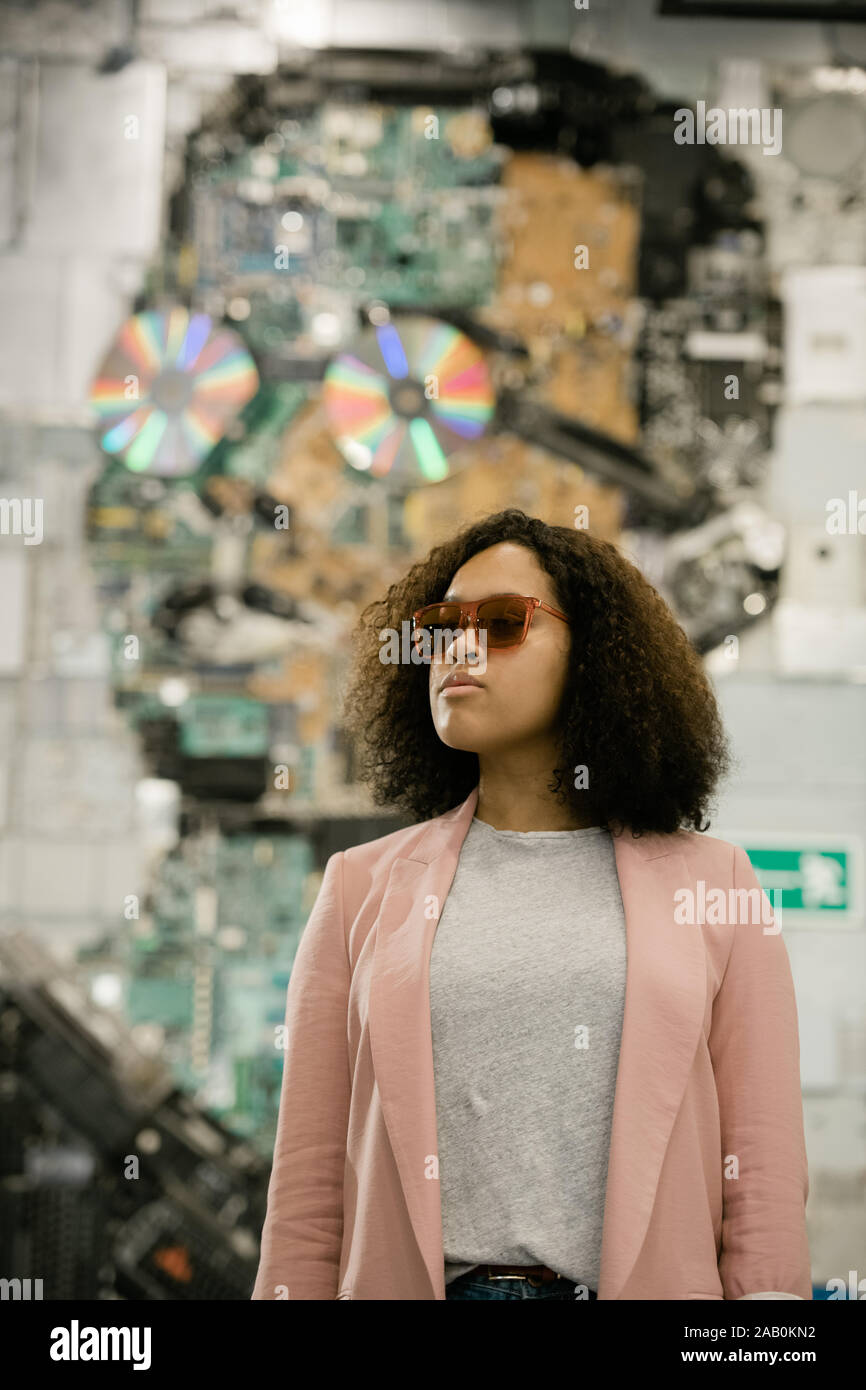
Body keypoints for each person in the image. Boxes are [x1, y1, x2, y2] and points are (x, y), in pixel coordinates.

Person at [251, 508, 811, 1301]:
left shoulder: (718, 888)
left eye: (505, 622)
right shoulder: (358, 890)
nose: (459, 648)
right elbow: (308, 1191)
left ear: (596, 658)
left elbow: (762, 1173)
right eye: (443, 626)